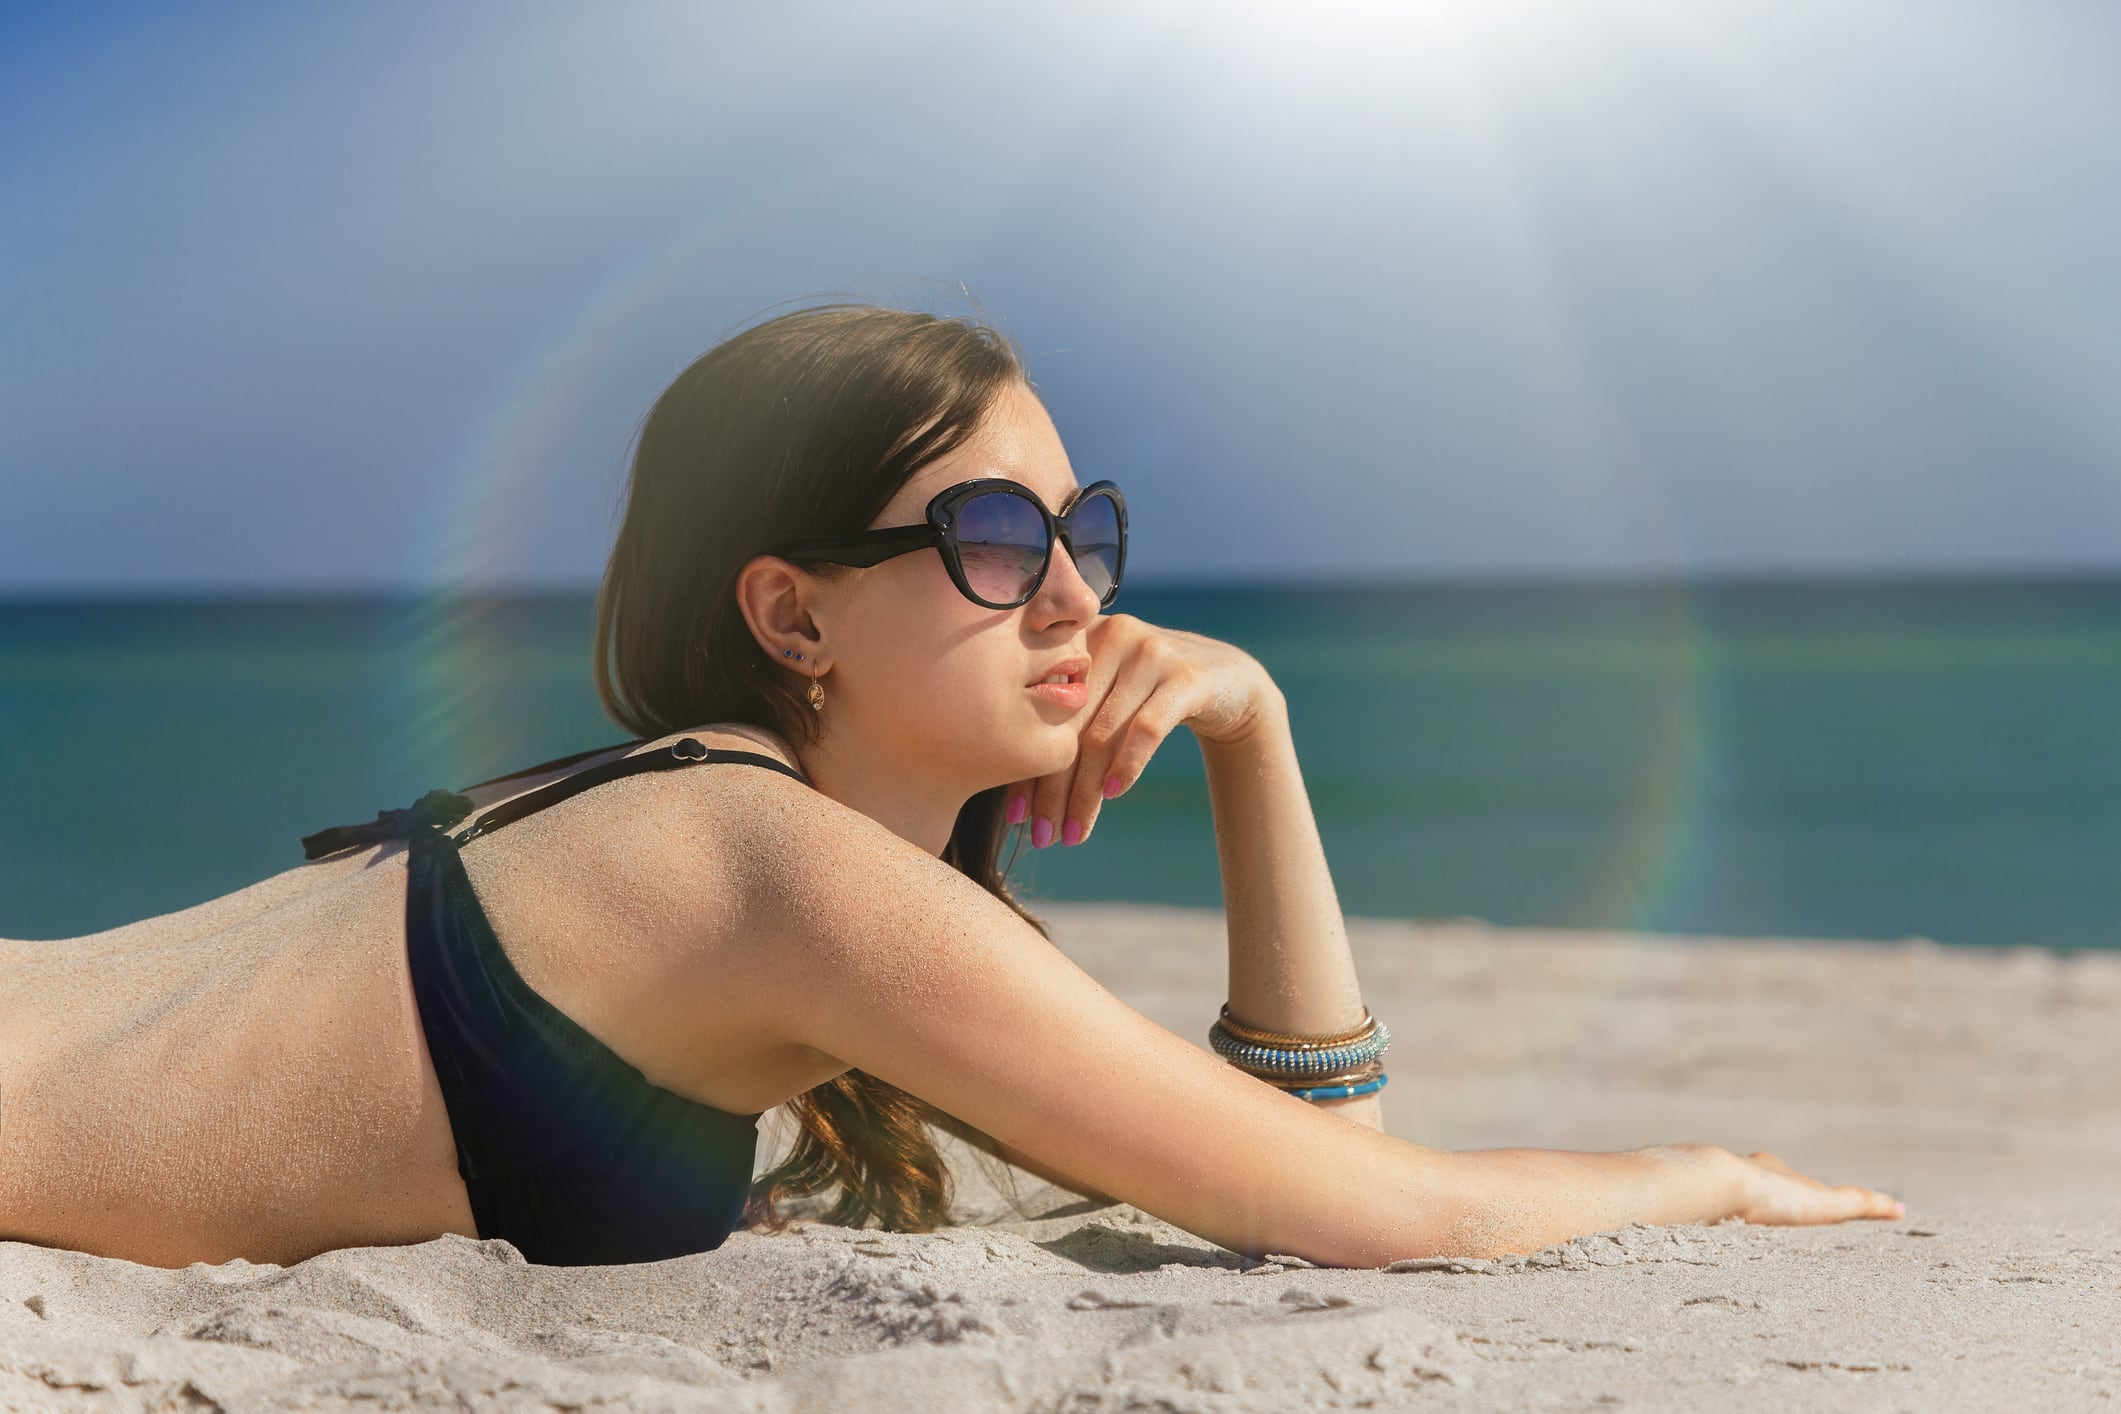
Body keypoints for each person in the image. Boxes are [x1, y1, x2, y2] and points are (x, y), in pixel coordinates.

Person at [0, 304, 1903, 1270]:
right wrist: (1707, 1174)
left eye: (1084, 528)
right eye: (995, 535)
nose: (1073, 592)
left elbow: (1305, 1153)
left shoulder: (733, 836)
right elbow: (1365, 1203)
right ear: (792, 612)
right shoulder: (759, 860)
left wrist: (1254, 738)